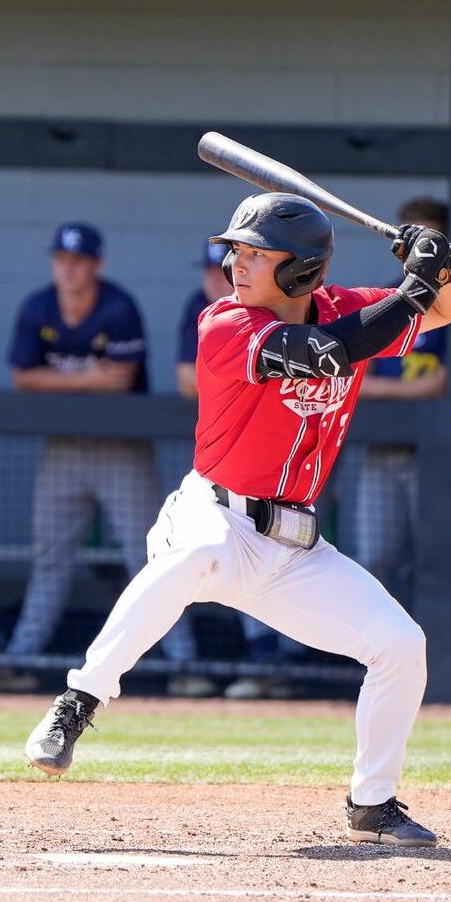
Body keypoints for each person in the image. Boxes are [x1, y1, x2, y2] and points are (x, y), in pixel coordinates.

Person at [22, 192, 451, 846]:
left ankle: (372, 803)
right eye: (236, 249)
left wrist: (440, 263)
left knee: (402, 645)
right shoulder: (227, 324)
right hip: (215, 515)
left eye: (255, 253)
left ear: (299, 270)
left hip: (294, 548)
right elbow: (334, 352)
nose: (235, 262)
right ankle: (79, 701)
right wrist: (414, 284)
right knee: (191, 558)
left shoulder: (350, 305)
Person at [0, 222, 210, 698]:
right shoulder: (38, 307)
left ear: (96, 264)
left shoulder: (117, 305)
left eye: (78, 260)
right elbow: (24, 378)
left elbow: (120, 378)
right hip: (64, 448)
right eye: (61, 259)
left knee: (152, 559)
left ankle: (184, 663)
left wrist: (60, 377)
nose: (68, 268)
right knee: (49, 557)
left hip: (121, 448)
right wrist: (89, 374)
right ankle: (20, 659)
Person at [177, 238, 300, 699]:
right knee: (191, 560)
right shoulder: (212, 313)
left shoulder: (277, 314)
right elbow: (186, 379)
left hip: (284, 459)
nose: (224, 276)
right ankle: (93, 688)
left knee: (288, 551)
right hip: (215, 465)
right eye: (222, 266)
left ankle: (280, 658)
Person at [355, 197, 450, 601]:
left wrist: (386, 391)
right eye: (410, 240)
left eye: (428, 241)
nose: (417, 253)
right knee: (374, 557)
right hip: (382, 447)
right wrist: (405, 392)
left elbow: (446, 383)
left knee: (435, 560)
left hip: (437, 451)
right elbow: (361, 379)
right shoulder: (384, 297)